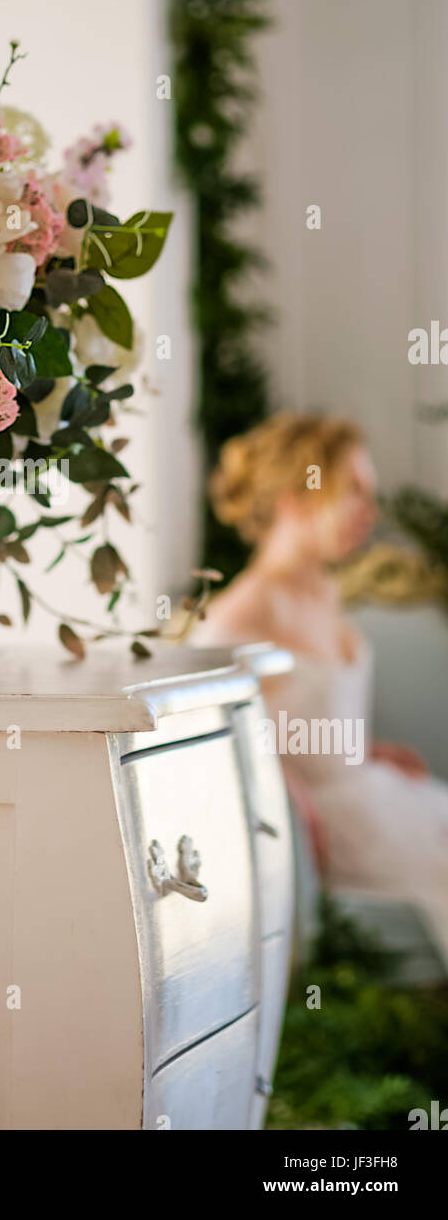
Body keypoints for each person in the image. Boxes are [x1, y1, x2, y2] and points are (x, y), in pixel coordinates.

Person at [196, 411, 448, 960]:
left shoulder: (324, 592)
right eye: (353, 489)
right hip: (338, 824)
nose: (370, 512)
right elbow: (219, 745)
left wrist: (365, 751)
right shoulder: (238, 617)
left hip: (374, 791)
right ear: (295, 495)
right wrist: (287, 789)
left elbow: (306, 719)